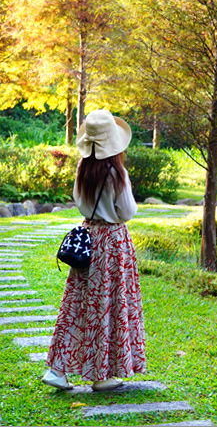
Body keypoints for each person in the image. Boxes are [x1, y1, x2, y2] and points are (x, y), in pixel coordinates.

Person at [42, 109, 146, 391]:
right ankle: (103, 376)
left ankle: (58, 370)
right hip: (112, 244)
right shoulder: (116, 172)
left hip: (87, 239)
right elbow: (127, 211)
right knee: (109, 306)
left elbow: (80, 202)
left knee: (77, 306)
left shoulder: (82, 168)